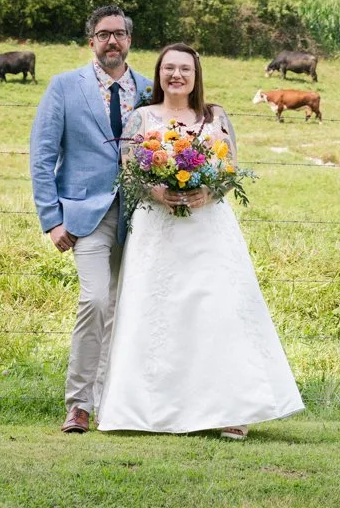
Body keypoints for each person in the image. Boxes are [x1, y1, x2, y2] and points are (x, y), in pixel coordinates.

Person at [97, 44, 304, 439]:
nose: (176, 75)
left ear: (196, 76)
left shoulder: (215, 116)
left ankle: (233, 410)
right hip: (157, 228)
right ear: (159, 74)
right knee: (157, 313)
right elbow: (129, 171)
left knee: (218, 312)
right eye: (169, 68)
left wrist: (208, 192)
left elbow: (230, 169)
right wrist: (156, 190)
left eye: (185, 69)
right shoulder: (142, 117)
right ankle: (155, 410)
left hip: (208, 226)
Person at [29, 4, 152, 434]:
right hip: (86, 216)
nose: (111, 41)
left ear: (129, 40)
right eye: (103, 34)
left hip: (142, 216)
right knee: (95, 300)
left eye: (119, 33)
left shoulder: (150, 90)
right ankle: (79, 404)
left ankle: (112, 402)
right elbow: (42, 156)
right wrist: (52, 220)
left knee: (124, 309)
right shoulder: (65, 87)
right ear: (91, 42)